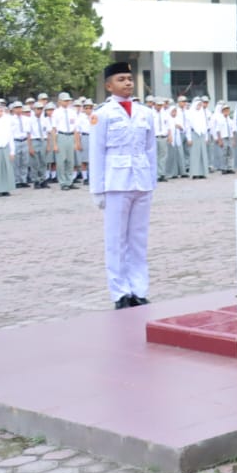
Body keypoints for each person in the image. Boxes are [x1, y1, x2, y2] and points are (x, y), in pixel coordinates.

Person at [90, 62, 158, 309]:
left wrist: (152, 181)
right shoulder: (102, 114)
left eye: (129, 78)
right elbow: (96, 153)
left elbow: (151, 149)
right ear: (109, 86)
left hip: (141, 180)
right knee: (116, 240)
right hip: (115, 182)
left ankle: (139, 289)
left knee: (138, 239)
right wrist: (97, 189)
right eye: (121, 79)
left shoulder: (145, 113)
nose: (128, 83)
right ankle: (120, 293)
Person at [0, 100, 15, 197]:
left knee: (6, 168)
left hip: (5, 146)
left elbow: (10, 136)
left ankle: (5, 189)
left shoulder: (7, 120)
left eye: (1, 111)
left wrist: (12, 151)